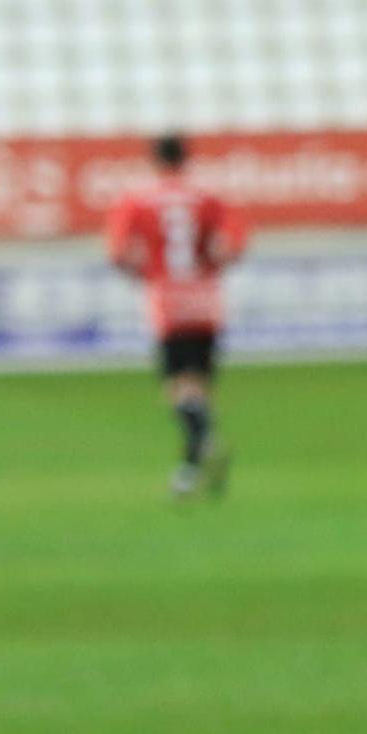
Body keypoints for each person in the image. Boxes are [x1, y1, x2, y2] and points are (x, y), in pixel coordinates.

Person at [105, 133, 247, 500]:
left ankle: (194, 460)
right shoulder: (208, 197)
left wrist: (145, 274)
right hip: (205, 298)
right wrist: (212, 266)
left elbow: (118, 252)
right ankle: (203, 459)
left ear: (154, 160)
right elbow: (235, 243)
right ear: (186, 158)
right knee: (200, 386)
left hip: (168, 300)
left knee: (177, 388)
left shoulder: (137, 199)